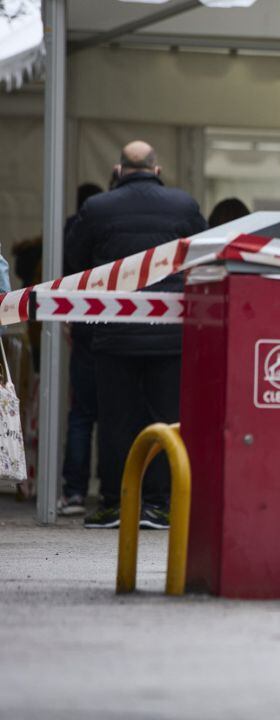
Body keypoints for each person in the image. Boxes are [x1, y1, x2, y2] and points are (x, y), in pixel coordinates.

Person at [67, 141, 207, 530]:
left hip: (113, 335)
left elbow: (75, 263)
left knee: (115, 421)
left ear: (117, 170)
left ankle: (115, 503)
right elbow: (203, 260)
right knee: (165, 420)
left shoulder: (96, 209)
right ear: (157, 170)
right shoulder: (184, 206)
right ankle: (159, 506)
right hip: (169, 335)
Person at [56, 183, 104, 515]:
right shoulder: (110, 223)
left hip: (84, 327)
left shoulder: (74, 227)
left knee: (82, 414)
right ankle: (115, 489)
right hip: (121, 327)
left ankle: (74, 492)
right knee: (119, 413)